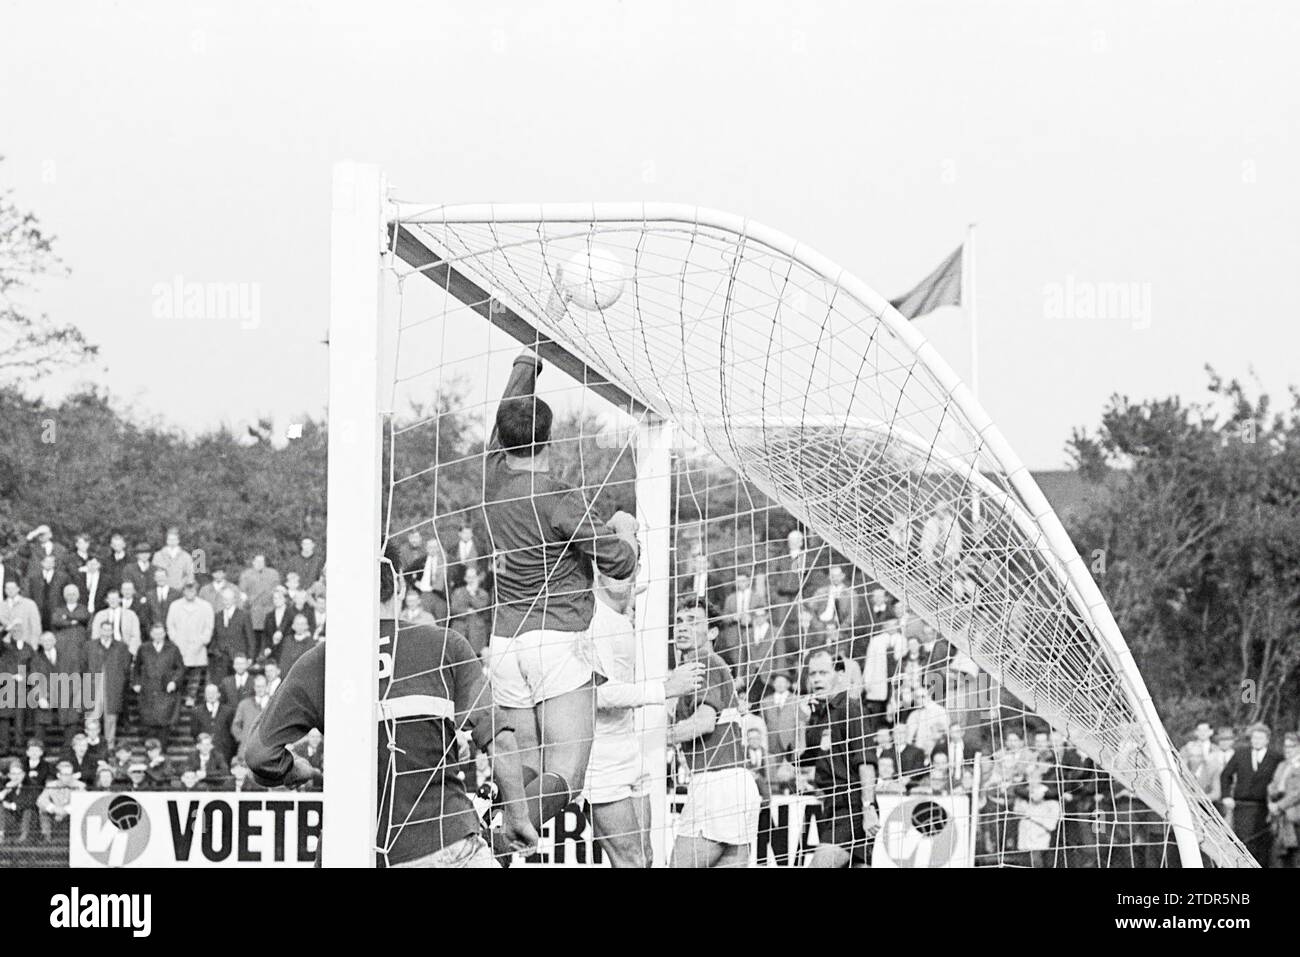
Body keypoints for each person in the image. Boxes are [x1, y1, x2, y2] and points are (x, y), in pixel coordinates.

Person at [246, 542, 537, 867]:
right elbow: (501, 739)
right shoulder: (446, 643)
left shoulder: (320, 662)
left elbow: (259, 756)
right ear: (398, 586)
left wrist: (294, 770)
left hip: (355, 850)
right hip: (446, 841)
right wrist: (518, 815)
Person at [481, 351, 640, 837]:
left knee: (527, 772)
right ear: (549, 438)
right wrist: (625, 529)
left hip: (505, 643)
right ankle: (495, 837)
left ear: (502, 439)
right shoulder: (558, 497)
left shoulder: (492, 479)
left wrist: (527, 362)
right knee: (566, 776)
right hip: (556, 641)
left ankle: (498, 826)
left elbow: (506, 412)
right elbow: (619, 563)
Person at [587, 571, 704, 867]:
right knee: (632, 859)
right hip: (601, 756)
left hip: (629, 748)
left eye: (634, 563)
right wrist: (665, 689)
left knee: (645, 857)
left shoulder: (619, 616)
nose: (630, 570)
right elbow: (598, 694)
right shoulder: (593, 619)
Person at [668, 598, 761, 867]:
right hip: (738, 784)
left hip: (716, 784)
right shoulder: (715, 665)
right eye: (679, 621)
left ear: (712, 632)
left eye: (693, 622)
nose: (682, 628)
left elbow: (704, 722)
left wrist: (651, 736)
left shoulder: (702, 661)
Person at [797, 648, 877, 867]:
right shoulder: (819, 717)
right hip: (830, 807)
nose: (816, 679)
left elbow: (866, 763)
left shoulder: (851, 709)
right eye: (812, 674)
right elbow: (800, 759)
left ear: (840, 675)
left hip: (851, 807)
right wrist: (802, 719)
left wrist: (868, 807)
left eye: (823, 673)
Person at [1221, 722, 1283, 866]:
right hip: (1242, 807)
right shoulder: (1240, 754)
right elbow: (1225, 775)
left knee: (1262, 846)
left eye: (1260, 738)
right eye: (1254, 738)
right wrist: (1226, 796)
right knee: (1243, 842)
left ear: (1267, 739)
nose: (1256, 741)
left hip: (1264, 808)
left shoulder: (1275, 757)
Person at [133, 622, 184, 749]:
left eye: (160, 633)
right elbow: (136, 668)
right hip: (148, 690)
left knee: (164, 723)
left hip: (165, 691)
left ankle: (162, 751)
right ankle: (149, 752)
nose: (158, 636)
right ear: (151, 634)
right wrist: (136, 683)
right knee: (148, 723)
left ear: (165, 634)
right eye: (155, 633)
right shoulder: (143, 648)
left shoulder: (173, 648)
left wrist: (174, 681)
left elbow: (180, 668)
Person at [85, 618, 133, 749]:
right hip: (93, 686)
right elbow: (83, 666)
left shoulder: (121, 647)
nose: (106, 632)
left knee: (111, 719)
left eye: (109, 629)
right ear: (99, 630)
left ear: (112, 631)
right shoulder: (90, 646)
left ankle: (109, 749)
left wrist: (120, 682)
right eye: (104, 629)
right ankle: (90, 747)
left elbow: (126, 667)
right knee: (91, 719)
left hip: (113, 687)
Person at [166, 580, 214, 703]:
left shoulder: (205, 606)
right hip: (179, 645)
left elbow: (209, 627)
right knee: (179, 672)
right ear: (183, 591)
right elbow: (170, 625)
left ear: (196, 591)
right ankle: (177, 699)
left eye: (192, 590)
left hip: (197, 646)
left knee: (195, 674)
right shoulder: (175, 606)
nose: (190, 593)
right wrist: (175, 641)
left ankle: (191, 697)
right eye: (187, 590)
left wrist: (202, 641)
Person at [1267, 732, 1300, 868]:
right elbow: (1272, 785)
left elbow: (1296, 793)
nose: (1287, 750)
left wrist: (1279, 805)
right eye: (1285, 746)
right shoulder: (1282, 765)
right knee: (1278, 857)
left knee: (1295, 858)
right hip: (1278, 818)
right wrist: (1271, 802)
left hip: (1294, 817)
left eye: (1291, 746)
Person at [448, 564, 491, 657]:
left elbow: (480, 607)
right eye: (468, 577)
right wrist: (467, 611)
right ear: (465, 578)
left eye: (473, 577)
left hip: (476, 631)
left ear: (477, 578)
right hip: (460, 628)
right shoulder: (458, 592)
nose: (471, 580)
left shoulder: (483, 594)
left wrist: (472, 593)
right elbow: (454, 609)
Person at [211, 586, 255, 678]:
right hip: (221, 660)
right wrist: (216, 651)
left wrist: (250, 656)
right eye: (224, 599)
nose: (226, 602)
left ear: (234, 599)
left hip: (238, 659)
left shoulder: (243, 615)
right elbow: (214, 637)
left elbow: (250, 638)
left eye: (229, 599)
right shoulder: (217, 616)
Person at [36, 760, 84, 841]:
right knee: (43, 811)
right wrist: (54, 809)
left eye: (70, 774)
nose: (68, 777)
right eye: (65, 774)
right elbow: (40, 800)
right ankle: (46, 838)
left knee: (79, 812)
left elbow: (82, 802)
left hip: (70, 814)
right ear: (59, 775)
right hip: (55, 812)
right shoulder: (51, 785)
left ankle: (75, 839)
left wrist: (65, 810)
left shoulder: (80, 785)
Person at [191, 682, 237, 762]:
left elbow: (232, 733)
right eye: (208, 693)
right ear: (205, 695)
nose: (211, 695)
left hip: (224, 753)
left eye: (213, 693)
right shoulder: (196, 711)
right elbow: (194, 732)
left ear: (219, 694)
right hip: (205, 754)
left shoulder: (229, 711)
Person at [231, 674, 270, 758]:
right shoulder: (244, 704)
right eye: (258, 686)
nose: (260, 689)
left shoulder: (273, 703)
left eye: (263, 686)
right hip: (246, 751)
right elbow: (235, 725)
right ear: (254, 688)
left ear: (267, 687)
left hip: (268, 750)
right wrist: (243, 738)